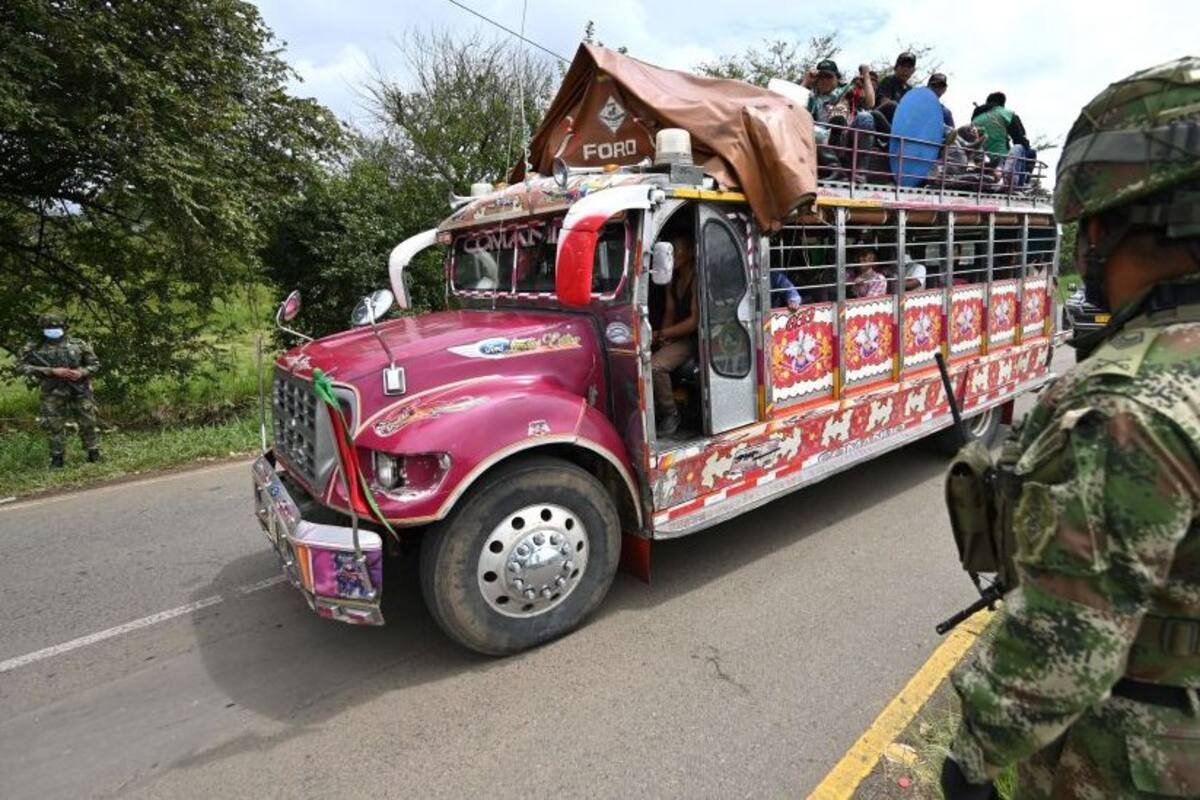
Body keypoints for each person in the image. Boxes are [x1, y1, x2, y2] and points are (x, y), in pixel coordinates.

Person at [942, 56, 1200, 800]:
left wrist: (972, 759)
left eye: (1089, 229)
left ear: (1120, 224)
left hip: (1140, 759)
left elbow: (1064, 648)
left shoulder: (1128, 402)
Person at [15, 311, 102, 468]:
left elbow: (95, 364)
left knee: (88, 422)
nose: (52, 330)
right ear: (42, 328)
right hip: (52, 392)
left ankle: (93, 453)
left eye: (56, 327)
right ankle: (57, 459)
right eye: (48, 327)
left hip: (79, 389)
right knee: (53, 426)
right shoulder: (34, 348)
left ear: (65, 327)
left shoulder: (79, 344)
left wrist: (81, 372)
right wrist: (50, 371)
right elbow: (20, 367)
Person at [651, 236, 699, 436]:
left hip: (695, 338)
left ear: (688, 253)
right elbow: (670, 311)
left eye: (675, 250)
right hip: (678, 335)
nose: (672, 256)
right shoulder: (673, 279)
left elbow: (694, 321)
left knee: (655, 365)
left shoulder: (697, 279)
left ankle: (671, 413)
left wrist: (663, 333)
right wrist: (662, 339)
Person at [804, 59, 877, 178]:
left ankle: (859, 173)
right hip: (820, 141)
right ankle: (836, 169)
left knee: (865, 117)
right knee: (810, 128)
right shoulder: (810, 96)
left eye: (828, 76)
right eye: (820, 77)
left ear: (837, 79)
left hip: (845, 137)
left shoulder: (847, 90)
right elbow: (790, 105)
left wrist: (866, 75)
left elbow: (870, 103)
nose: (824, 80)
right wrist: (806, 81)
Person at [971, 91, 1036, 188]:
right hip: (1000, 160)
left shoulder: (976, 118)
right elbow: (1020, 139)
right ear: (1003, 103)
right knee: (1029, 151)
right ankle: (1023, 185)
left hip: (979, 160)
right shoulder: (1007, 114)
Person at [875, 51, 916, 122]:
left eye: (909, 67)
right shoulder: (888, 81)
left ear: (913, 71)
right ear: (896, 68)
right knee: (892, 105)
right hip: (882, 120)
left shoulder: (911, 91)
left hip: (902, 124)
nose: (906, 69)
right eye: (903, 66)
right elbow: (885, 104)